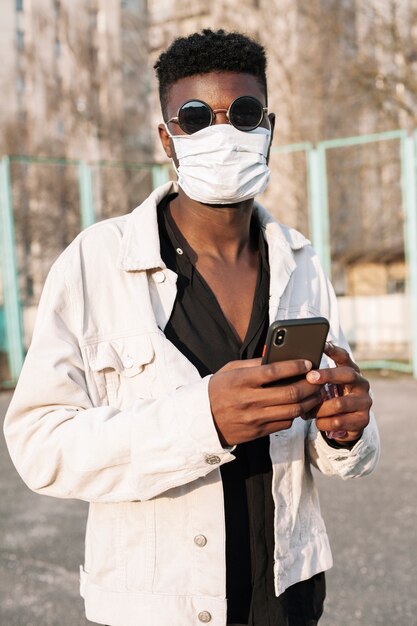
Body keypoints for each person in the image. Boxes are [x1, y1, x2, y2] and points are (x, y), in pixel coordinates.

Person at [4, 29, 379, 626]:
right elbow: (38, 447)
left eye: (245, 114)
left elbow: (336, 446)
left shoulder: (301, 261)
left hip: (288, 596)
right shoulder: (95, 261)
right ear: (167, 138)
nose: (223, 133)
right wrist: (201, 420)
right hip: (159, 607)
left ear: (269, 130)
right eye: (196, 117)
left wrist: (346, 432)